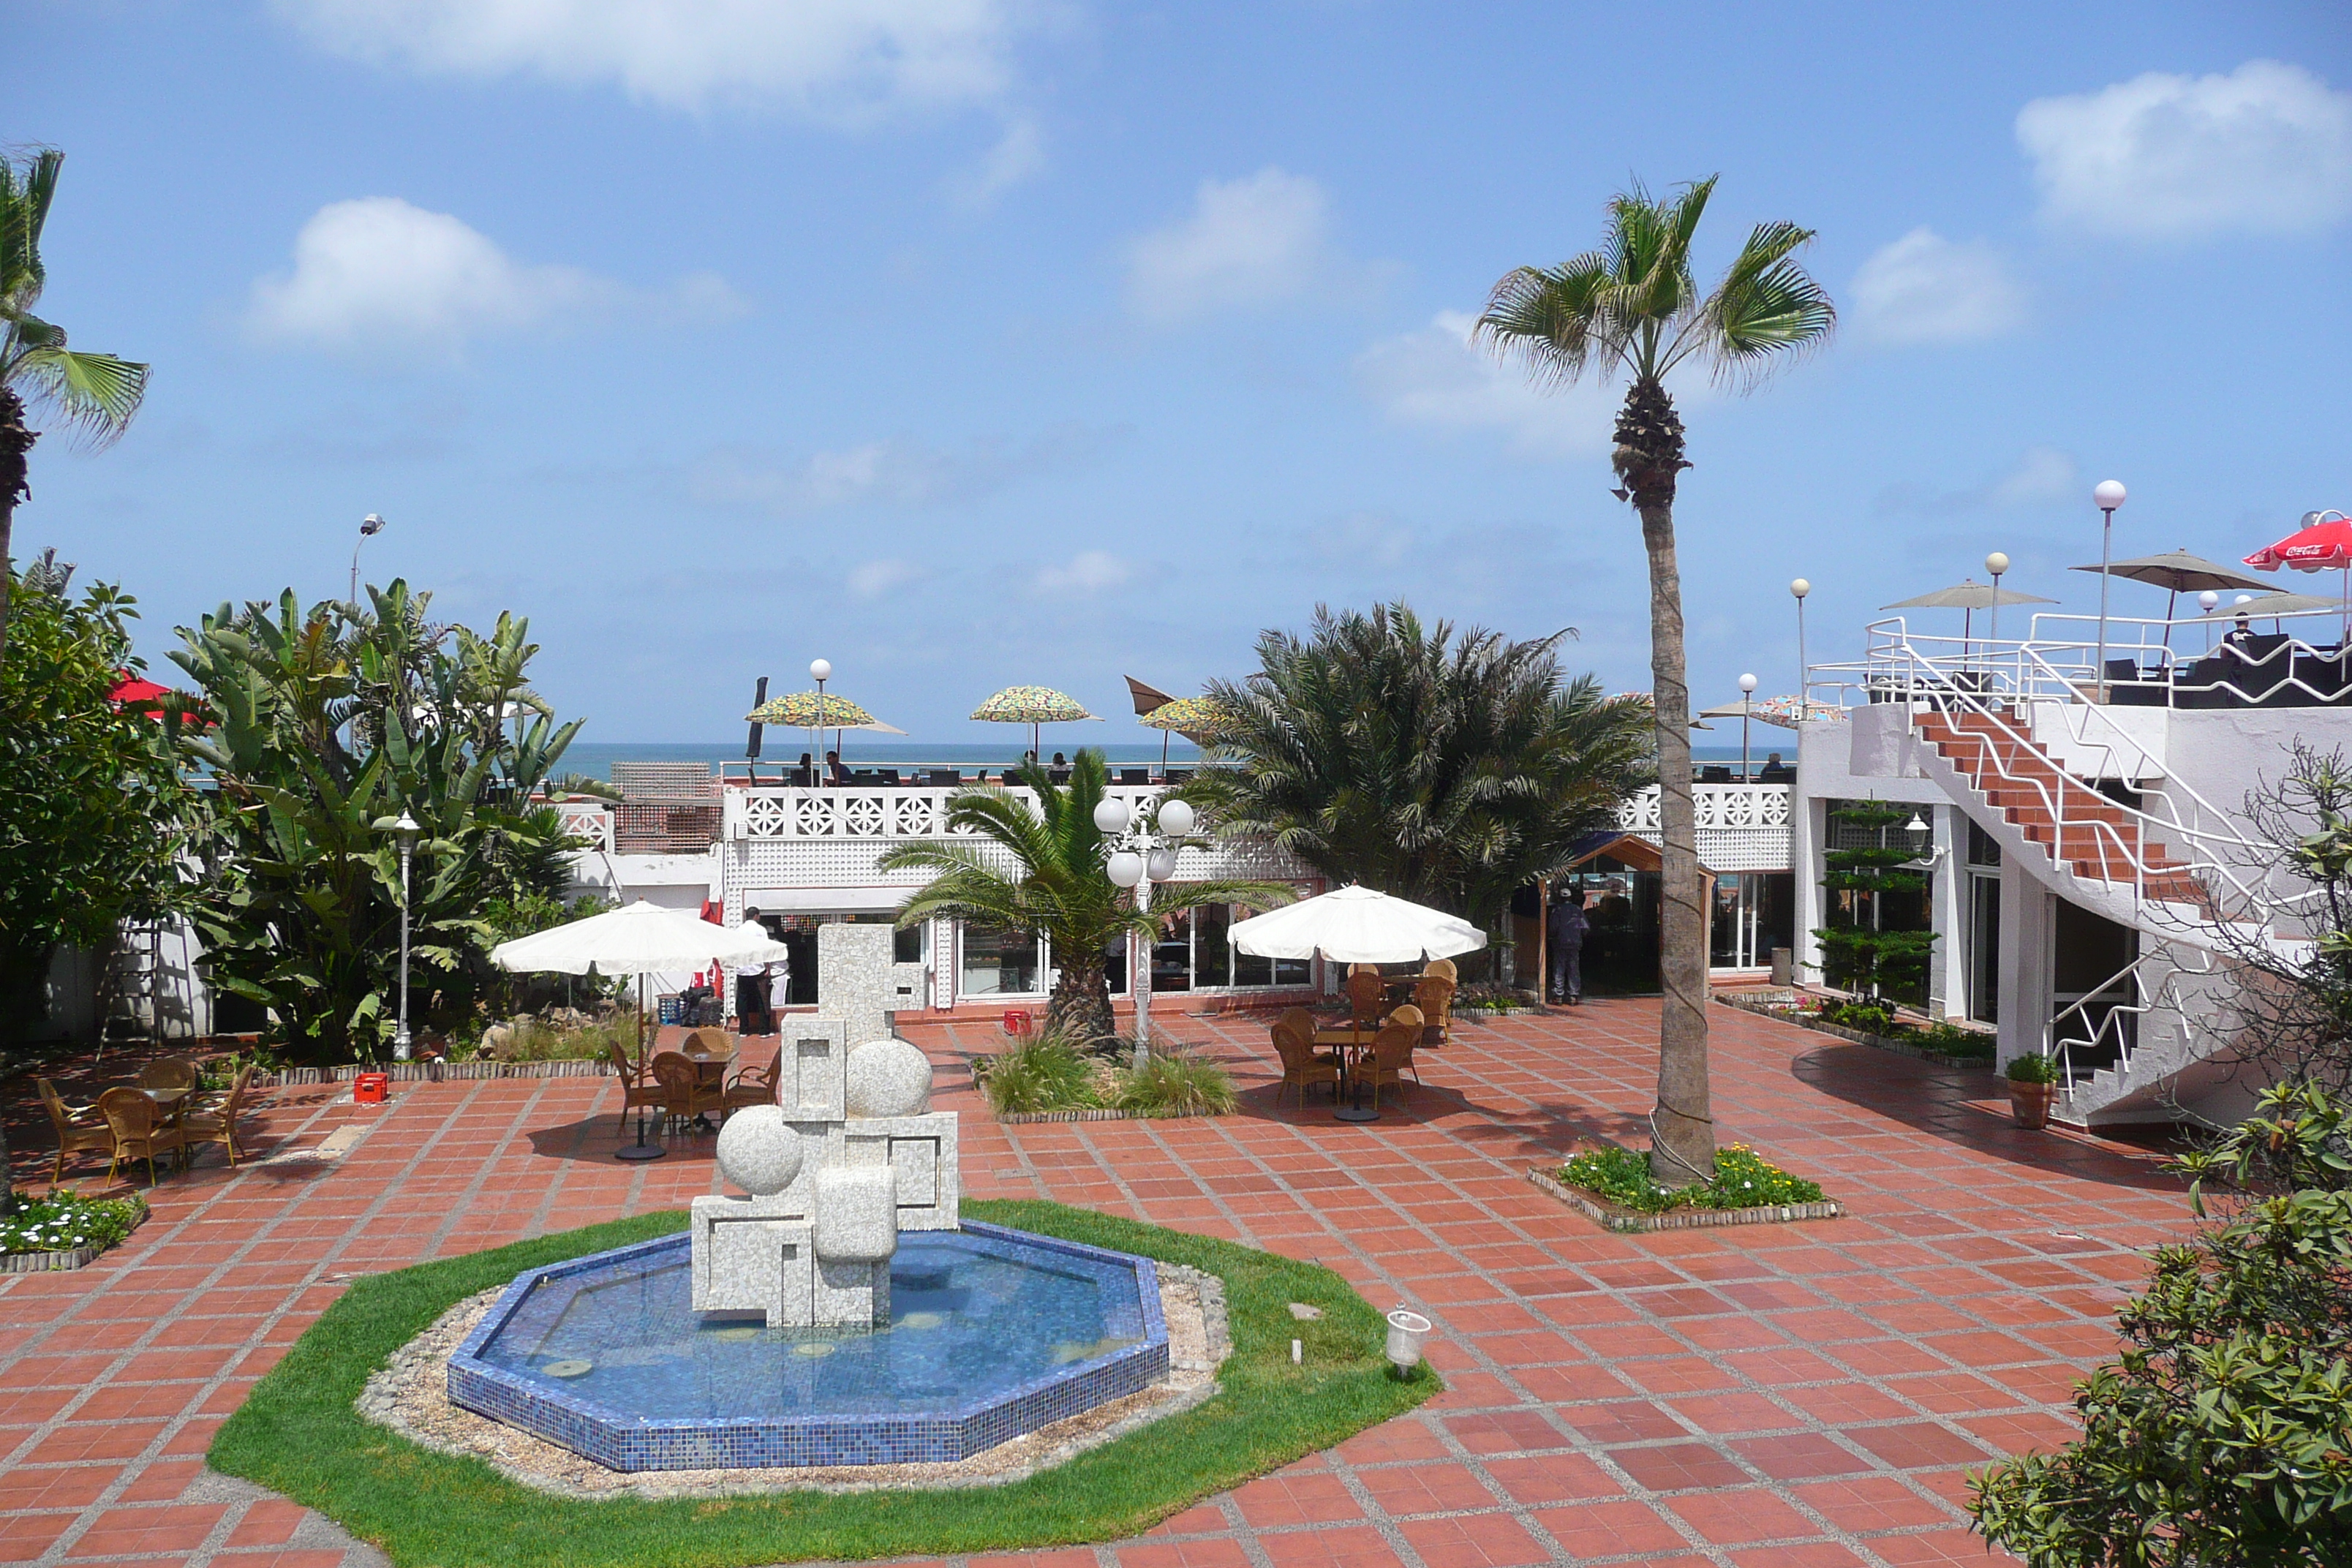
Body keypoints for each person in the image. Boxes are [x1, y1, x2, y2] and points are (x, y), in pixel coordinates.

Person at [1547, 889, 1588, 1006]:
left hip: (1560, 943)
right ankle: (1573, 996)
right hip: (1575, 944)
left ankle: (1558, 996)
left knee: (1559, 968)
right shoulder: (1577, 910)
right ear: (1571, 898)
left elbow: (1553, 928)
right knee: (1573, 969)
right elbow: (1585, 928)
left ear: (1560, 898)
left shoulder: (1557, 910)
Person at [734, 908, 772, 1035]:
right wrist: (768, 968)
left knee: (742, 1000)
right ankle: (764, 1031)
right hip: (757, 969)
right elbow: (765, 950)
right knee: (762, 1000)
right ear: (756, 916)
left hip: (742, 970)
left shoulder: (738, 930)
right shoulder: (761, 930)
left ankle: (743, 1030)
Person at [766, 946, 791, 1028]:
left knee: (779, 1001)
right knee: (773, 1001)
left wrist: (768, 971)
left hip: (780, 975)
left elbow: (767, 963)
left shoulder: (778, 949)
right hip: (774, 977)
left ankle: (778, 1023)